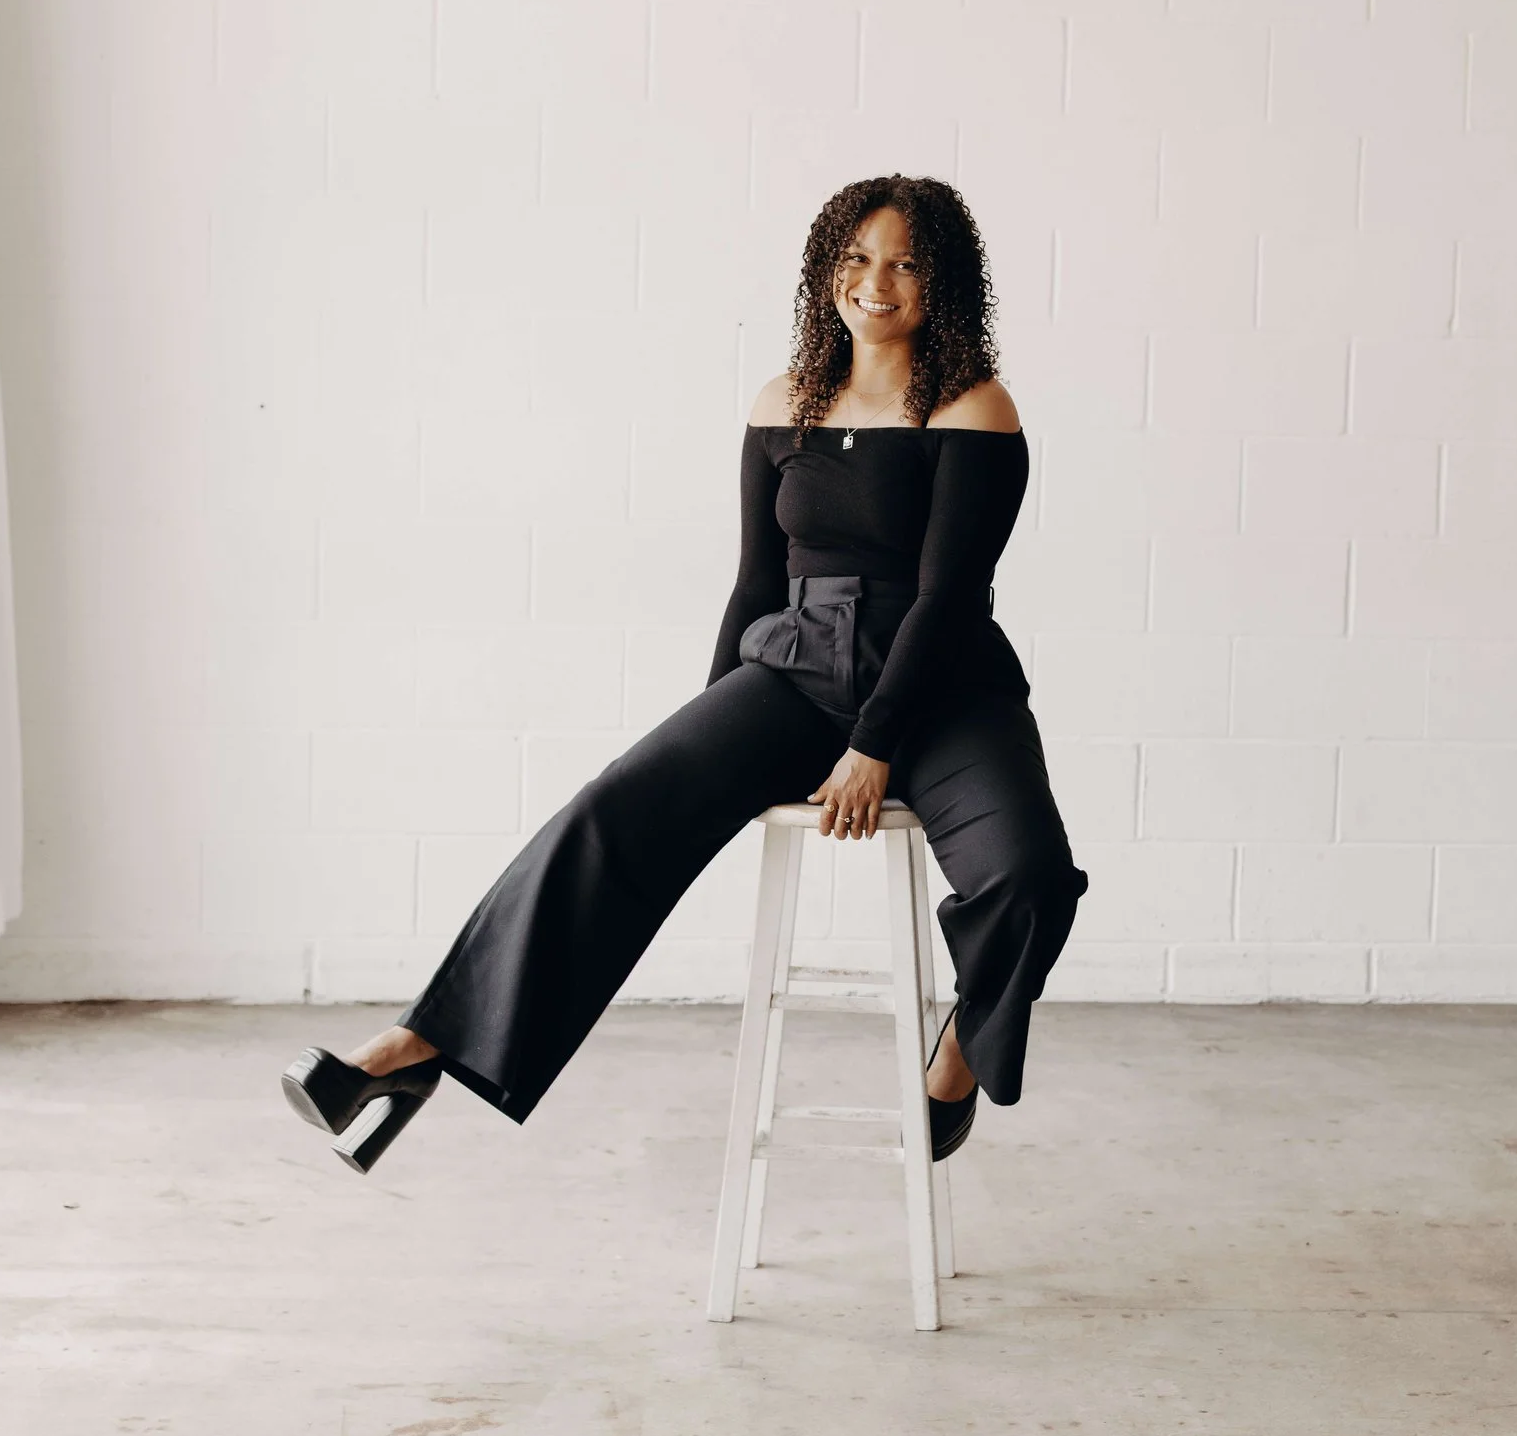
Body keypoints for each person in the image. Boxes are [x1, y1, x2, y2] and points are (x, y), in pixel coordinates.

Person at [280, 174, 1090, 1174]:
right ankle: (418, 1046)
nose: (876, 282)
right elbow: (756, 577)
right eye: (857, 257)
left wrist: (872, 744)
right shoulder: (782, 401)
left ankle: (959, 1054)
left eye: (905, 263)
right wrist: (713, 727)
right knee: (610, 809)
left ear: (944, 283)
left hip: (944, 684)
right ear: (826, 269)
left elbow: (947, 598)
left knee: (1031, 877)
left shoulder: (974, 407)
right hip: (796, 666)